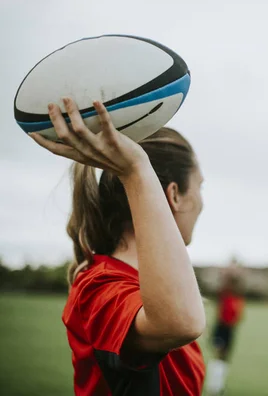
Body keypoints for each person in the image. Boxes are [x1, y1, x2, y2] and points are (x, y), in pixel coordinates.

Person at [30, 98, 206, 395]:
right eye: (200, 187)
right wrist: (137, 171)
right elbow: (182, 323)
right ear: (174, 195)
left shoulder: (152, 287)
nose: (202, 202)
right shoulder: (100, 286)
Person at [205, 258, 246, 395]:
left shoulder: (238, 292)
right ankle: (213, 385)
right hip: (221, 326)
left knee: (226, 356)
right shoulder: (224, 290)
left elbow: (239, 281)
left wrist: (236, 271)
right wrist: (229, 270)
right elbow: (224, 280)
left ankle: (219, 384)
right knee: (218, 354)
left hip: (230, 327)